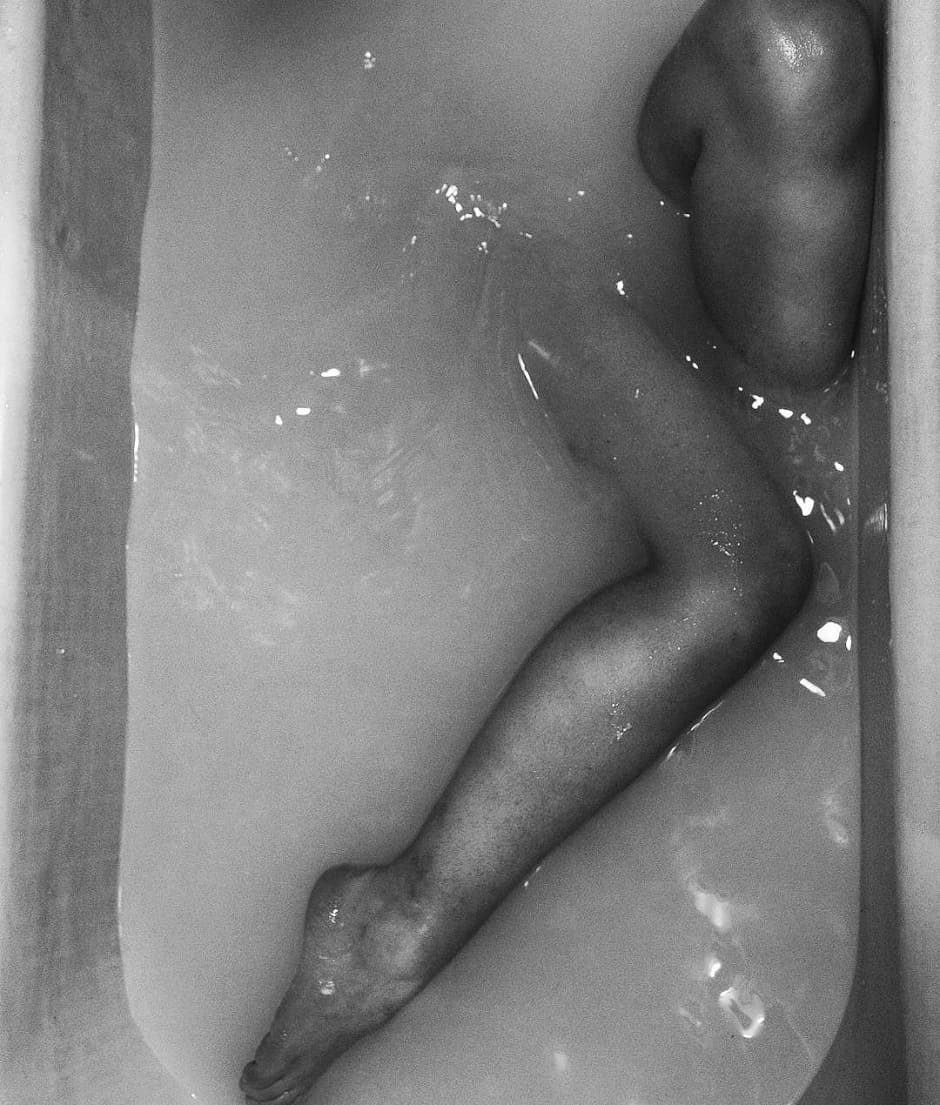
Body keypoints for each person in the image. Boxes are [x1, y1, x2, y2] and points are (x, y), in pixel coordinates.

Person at [240, 0, 879, 1100]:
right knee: (743, 567)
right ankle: (393, 916)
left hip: (640, 160)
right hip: (451, 177)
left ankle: (714, 411)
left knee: (797, 64)